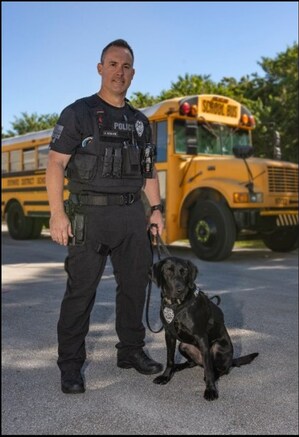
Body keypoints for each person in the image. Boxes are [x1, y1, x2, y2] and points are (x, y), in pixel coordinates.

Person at [46, 39, 164, 394]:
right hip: (89, 215)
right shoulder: (78, 113)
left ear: (133, 73)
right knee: (81, 293)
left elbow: (149, 172)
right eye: (113, 64)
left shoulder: (141, 123)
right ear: (100, 68)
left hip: (131, 215)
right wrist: (57, 213)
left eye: (126, 66)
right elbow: (55, 163)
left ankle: (130, 351)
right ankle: (70, 365)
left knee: (134, 288)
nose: (119, 72)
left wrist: (156, 211)